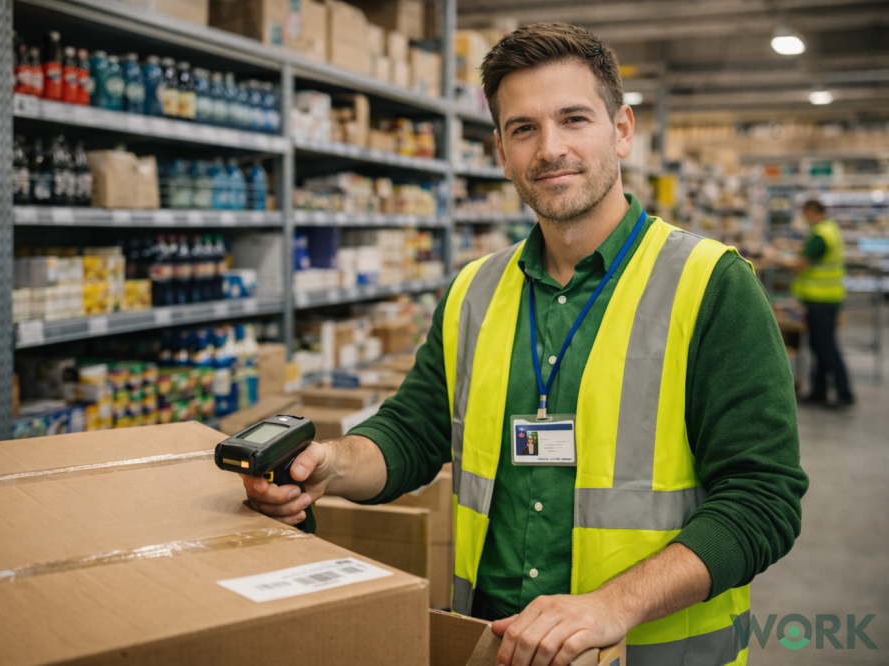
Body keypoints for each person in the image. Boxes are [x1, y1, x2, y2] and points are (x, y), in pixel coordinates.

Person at [242, 23, 807, 666]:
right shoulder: (474, 291)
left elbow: (763, 500)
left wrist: (611, 605)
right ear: (501, 153)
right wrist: (330, 466)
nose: (550, 148)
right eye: (524, 129)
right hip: (495, 646)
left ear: (621, 130)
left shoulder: (712, 286)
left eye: (574, 119)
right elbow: (414, 432)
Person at [792, 200, 854, 407]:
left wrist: (775, 259)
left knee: (826, 348)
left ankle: (844, 393)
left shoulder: (820, 234)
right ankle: (819, 392)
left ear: (811, 211)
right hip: (826, 298)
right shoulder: (830, 229)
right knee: (818, 346)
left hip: (821, 300)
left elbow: (802, 265)